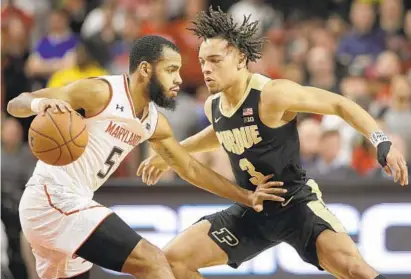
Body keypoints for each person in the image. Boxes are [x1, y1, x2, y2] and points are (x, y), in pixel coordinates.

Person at [138, 7, 408, 279]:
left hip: (295, 205)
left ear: (241, 58)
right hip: (252, 209)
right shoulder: (214, 106)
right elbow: (219, 133)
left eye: (215, 60)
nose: (206, 69)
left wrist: (381, 141)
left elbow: (339, 104)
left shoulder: (272, 94)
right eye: (202, 61)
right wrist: (171, 154)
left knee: (355, 270)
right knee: (172, 260)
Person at [7, 35, 285, 279]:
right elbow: (15, 103)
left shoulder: (154, 122)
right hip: (52, 198)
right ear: (144, 70)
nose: (179, 79)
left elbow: (189, 168)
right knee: (153, 263)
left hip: (65, 207)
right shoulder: (100, 92)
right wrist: (39, 103)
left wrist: (245, 197)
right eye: (170, 70)